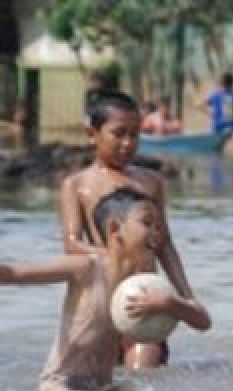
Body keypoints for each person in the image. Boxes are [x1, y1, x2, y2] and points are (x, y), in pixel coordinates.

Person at [0, 188, 210, 391]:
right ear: (114, 228)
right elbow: (14, 274)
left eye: (158, 226)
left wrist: (171, 304)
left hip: (104, 388)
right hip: (63, 387)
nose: (156, 233)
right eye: (147, 223)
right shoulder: (86, 268)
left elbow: (203, 322)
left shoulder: (143, 282)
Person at [60, 88, 208, 369]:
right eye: (119, 133)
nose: (128, 143)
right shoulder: (77, 185)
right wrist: (112, 257)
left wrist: (186, 295)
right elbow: (71, 243)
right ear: (92, 134)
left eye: (135, 134)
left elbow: (164, 244)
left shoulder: (151, 182)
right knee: (97, 389)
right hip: (100, 303)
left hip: (144, 301)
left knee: (144, 380)